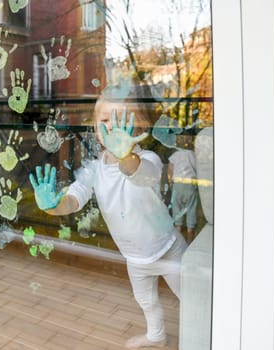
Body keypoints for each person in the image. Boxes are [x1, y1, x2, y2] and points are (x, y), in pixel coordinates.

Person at [29, 93, 187, 348]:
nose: (112, 126)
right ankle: (156, 335)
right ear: (95, 128)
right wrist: (52, 206)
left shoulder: (148, 160)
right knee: (146, 300)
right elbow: (74, 199)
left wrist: (125, 155)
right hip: (134, 257)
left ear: (139, 127)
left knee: (192, 298)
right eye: (104, 120)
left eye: (120, 119)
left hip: (168, 250)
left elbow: (139, 175)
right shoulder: (94, 169)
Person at [168, 135, 198, 243]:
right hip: (190, 183)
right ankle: (190, 229)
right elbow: (197, 168)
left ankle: (178, 228)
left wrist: (170, 180)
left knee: (177, 206)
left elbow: (170, 168)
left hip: (178, 184)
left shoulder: (175, 155)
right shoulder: (193, 155)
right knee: (191, 206)